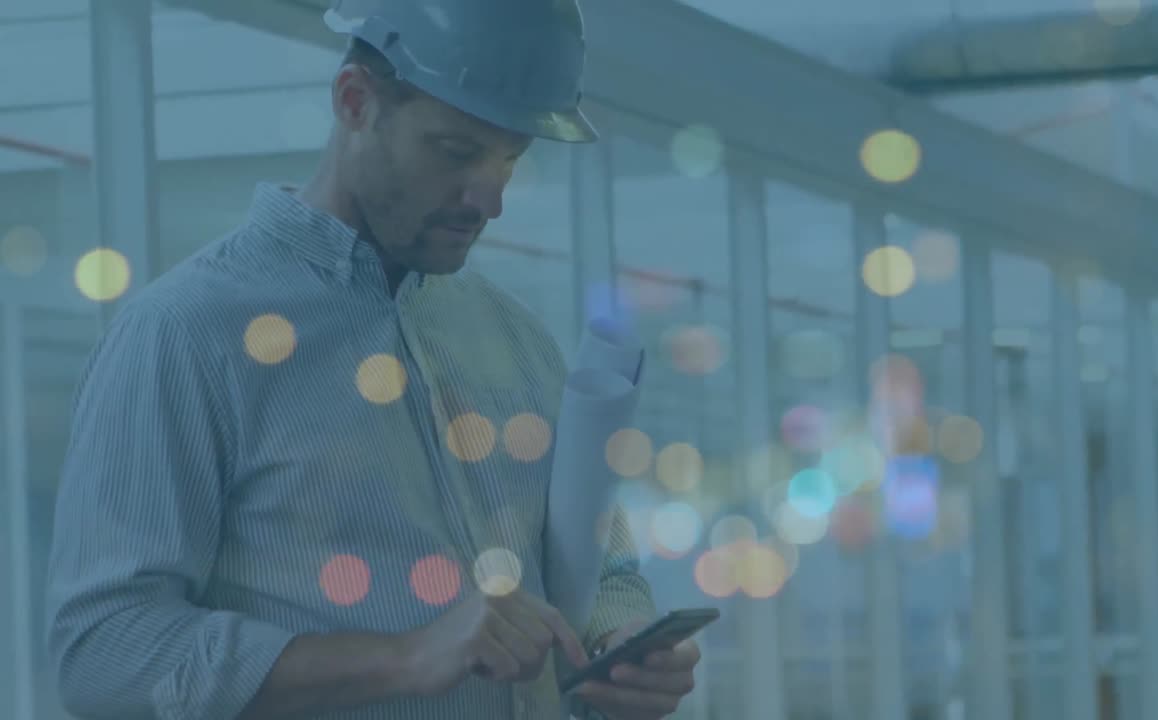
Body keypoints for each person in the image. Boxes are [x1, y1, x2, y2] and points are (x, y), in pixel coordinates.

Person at [43, 0, 701, 718]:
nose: (490, 199)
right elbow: (102, 656)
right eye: (455, 152)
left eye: (512, 157)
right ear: (355, 100)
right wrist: (404, 658)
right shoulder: (183, 337)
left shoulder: (515, 338)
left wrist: (621, 634)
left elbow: (601, 560)